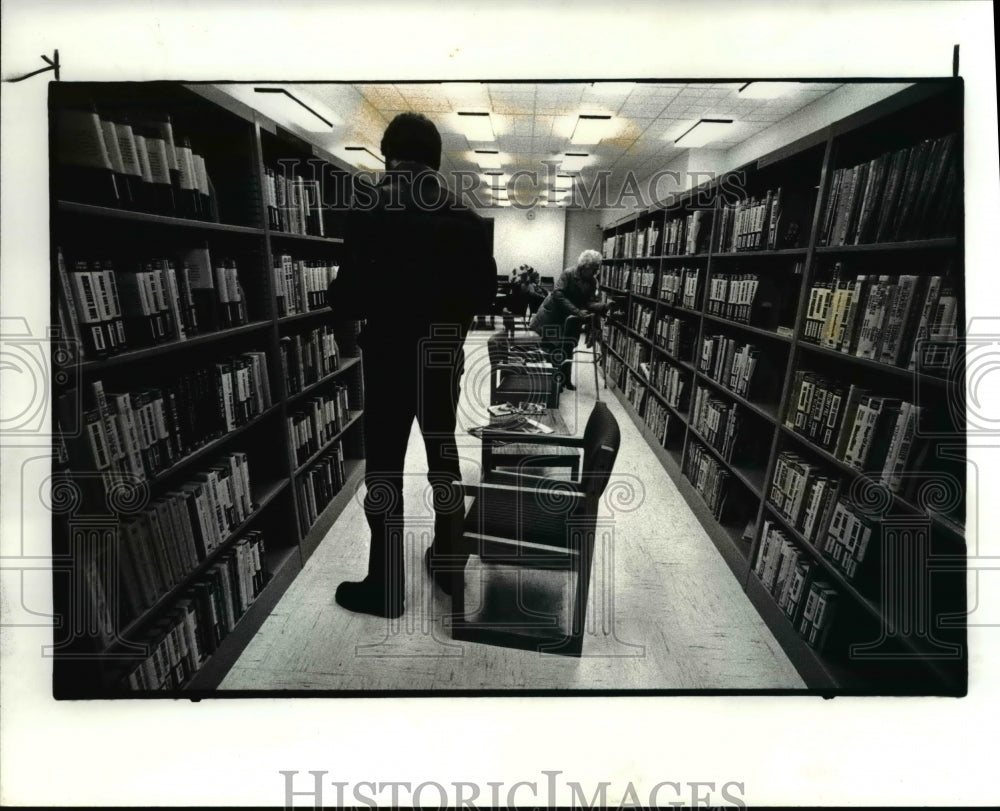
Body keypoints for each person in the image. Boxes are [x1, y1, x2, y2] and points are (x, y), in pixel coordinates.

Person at [327, 112, 497, 618]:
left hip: (387, 362)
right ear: (435, 161)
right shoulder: (466, 217)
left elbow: (347, 296)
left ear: (388, 155)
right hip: (441, 360)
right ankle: (448, 562)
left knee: (384, 472)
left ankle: (385, 587)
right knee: (444, 465)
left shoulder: (369, 209)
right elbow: (485, 293)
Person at [528, 249, 607, 391]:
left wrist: (603, 306)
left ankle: (566, 380)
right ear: (585, 266)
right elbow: (558, 295)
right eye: (594, 269)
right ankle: (554, 382)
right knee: (553, 348)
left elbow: (588, 302)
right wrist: (578, 312)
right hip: (554, 316)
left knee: (568, 348)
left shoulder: (592, 281)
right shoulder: (569, 273)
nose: (596, 272)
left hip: (571, 318)